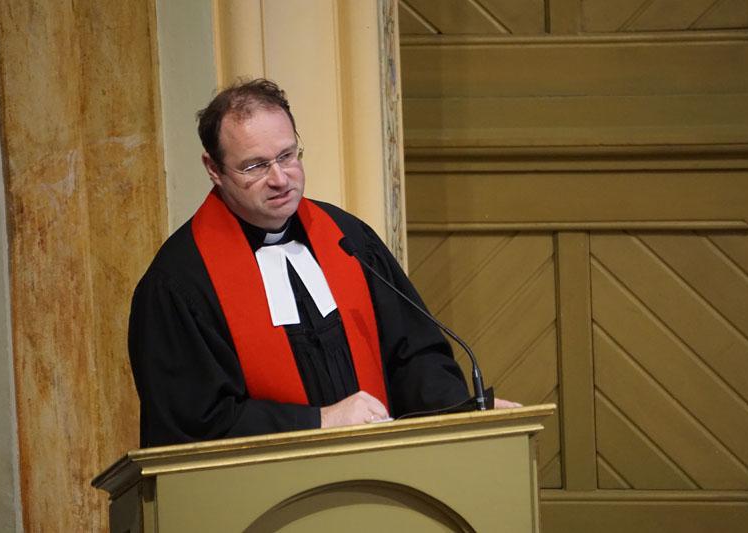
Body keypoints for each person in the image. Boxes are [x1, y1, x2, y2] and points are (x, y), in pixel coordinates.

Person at [129, 79, 515, 448]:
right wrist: (318, 422)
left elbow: (412, 356)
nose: (280, 179)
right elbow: (192, 423)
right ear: (213, 169)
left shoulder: (347, 238)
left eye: (287, 156)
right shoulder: (180, 283)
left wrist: (459, 413)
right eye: (255, 166)